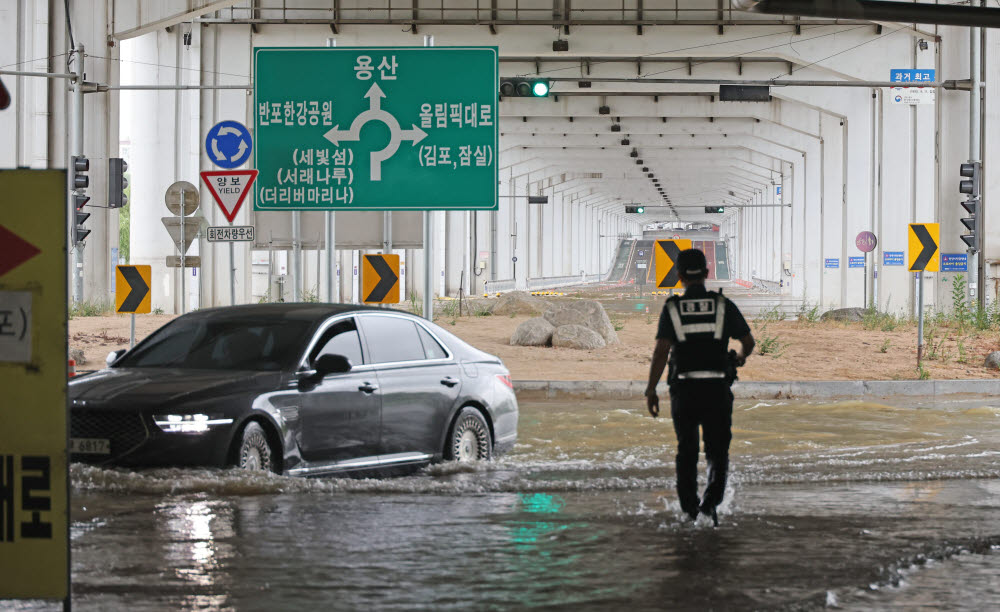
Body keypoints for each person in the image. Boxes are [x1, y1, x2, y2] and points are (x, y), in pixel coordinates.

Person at [644, 248, 755, 525]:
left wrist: (650, 389)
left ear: (679, 276)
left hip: (684, 391)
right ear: (706, 274)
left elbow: (661, 351)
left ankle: (690, 509)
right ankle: (709, 505)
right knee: (718, 451)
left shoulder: (672, 308)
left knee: (687, 450)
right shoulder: (722, 304)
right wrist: (739, 359)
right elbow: (748, 342)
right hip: (717, 390)